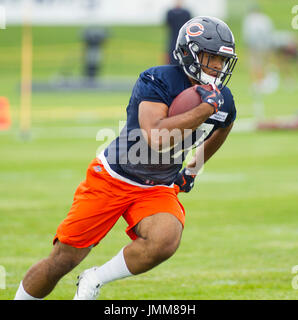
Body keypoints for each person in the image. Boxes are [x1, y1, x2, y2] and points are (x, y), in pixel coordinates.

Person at [14, 16, 238, 300]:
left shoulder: (222, 98)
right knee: (61, 261)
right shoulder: (157, 79)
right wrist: (203, 110)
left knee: (165, 239)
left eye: (222, 60)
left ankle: (95, 279)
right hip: (113, 177)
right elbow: (155, 135)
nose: (218, 67)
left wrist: (194, 167)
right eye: (211, 57)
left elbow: (226, 123)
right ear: (188, 53)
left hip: (157, 187)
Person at [165, 0, 191, 65]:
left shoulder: (186, 13)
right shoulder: (170, 13)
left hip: (184, 37)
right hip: (173, 37)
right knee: (172, 54)